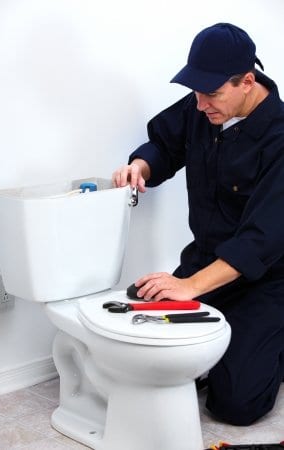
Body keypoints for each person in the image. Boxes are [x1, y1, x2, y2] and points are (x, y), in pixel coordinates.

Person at [112, 23, 284, 426]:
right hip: (205, 263)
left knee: (234, 405)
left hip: (266, 280)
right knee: (146, 359)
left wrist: (189, 288)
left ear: (247, 81)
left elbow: (261, 240)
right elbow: (166, 144)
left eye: (211, 93)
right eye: (195, 92)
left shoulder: (279, 140)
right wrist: (141, 165)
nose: (200, 103)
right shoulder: (202, 107)